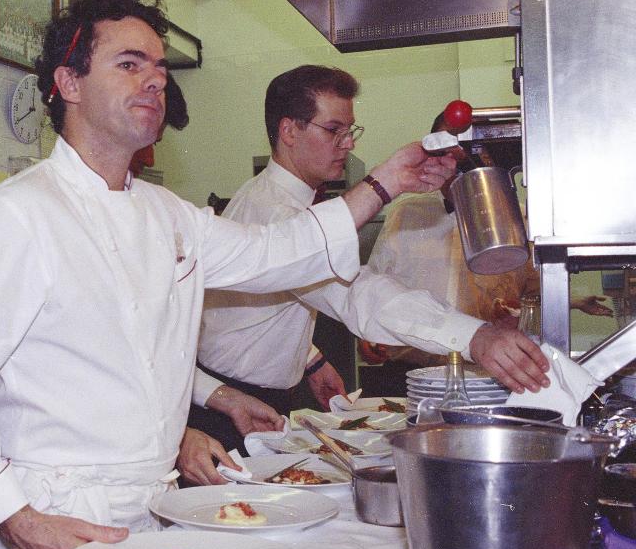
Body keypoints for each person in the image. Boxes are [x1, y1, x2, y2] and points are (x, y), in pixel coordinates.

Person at [0, 0, 488, 549]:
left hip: (151, 519)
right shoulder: (16, 216)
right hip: (52, 522)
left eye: (159, 66)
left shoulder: (168, 214)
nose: (155, 80)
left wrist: (385, 182)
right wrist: (18, 521)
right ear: (68, 84)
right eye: (130, 64)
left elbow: (273, 255)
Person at [184, 66, 554, 482]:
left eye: (350, 131)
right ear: (289, 130)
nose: (346, 145)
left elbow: (267, 303)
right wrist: (474, 335)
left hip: (258, 395)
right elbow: (356, 293)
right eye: (333, 131)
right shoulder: (274, 211)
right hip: (224, 407)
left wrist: (310, 360)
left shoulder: (283, 201)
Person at [361, 112, 612, 381]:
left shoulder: (519, 219)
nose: (456, 160)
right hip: (410, 372)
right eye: (446, 149)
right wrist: (364, 334)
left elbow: (533, 289)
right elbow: (375, 282)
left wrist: (557, 306)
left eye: (464, 151)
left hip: (486, 372)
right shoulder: (406, 212)